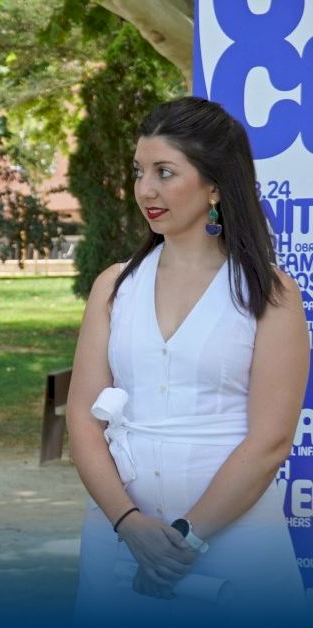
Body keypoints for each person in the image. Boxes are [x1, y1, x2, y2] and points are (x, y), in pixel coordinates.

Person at [68, 96, 308, 625]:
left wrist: (185, 538)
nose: (145, 190)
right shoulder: (113, 286)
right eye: (139, 172)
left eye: (165, 172)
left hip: (235, 541)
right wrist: (129, 523)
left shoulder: (270, 293)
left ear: (215, 185)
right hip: (119, 540)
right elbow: (83, 418)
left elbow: (270, 440)